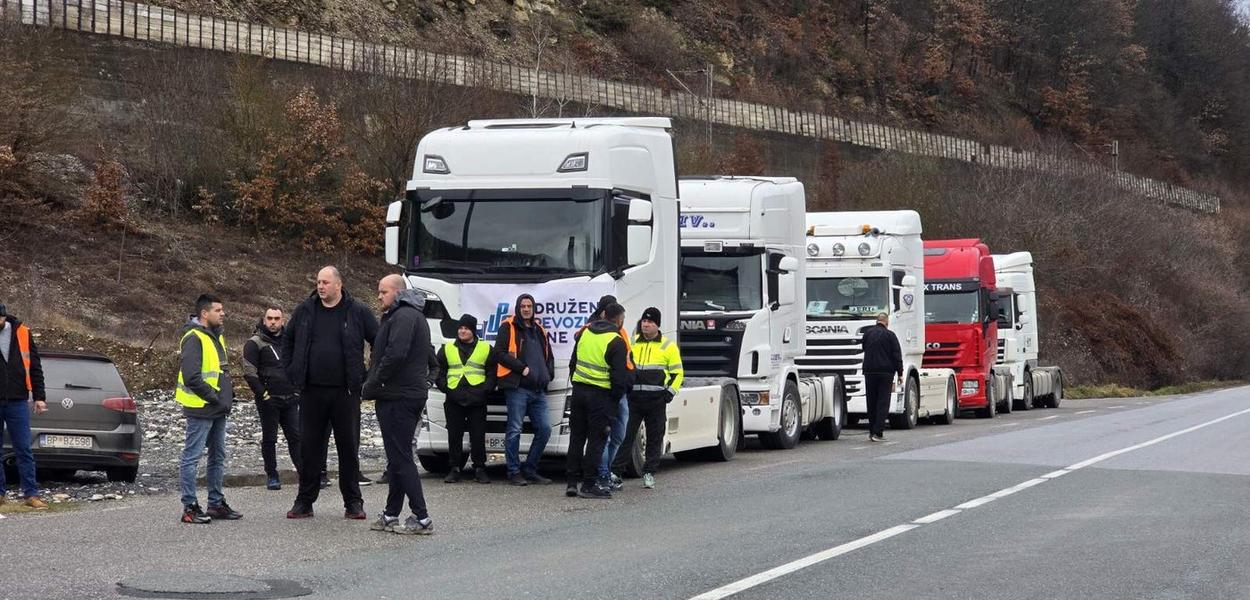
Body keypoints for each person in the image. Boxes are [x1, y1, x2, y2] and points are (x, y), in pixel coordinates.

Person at [282, 266, 379, 520]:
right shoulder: (305, 310)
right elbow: (287, 340)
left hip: (345, 392)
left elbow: (378, 339)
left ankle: (353, 502)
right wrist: (291, 370)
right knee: (310, 448)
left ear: (339, 284)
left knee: (348, 448)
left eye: (325, 282)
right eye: (318, 282)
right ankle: (305, 501)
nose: (320, 286)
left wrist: (367, 375)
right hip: (311, 392)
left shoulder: (357, 311)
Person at [362, 275, 435, 535]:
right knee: (396, 457)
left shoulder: (403, 317)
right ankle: (391, 513)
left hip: (398, 396)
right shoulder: (408, 316)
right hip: (403, 394)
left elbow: (395, 355)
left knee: (401, 458)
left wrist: (371, 384)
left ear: (398, 292)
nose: (379, 296)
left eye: (383, 292)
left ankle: (422, 516)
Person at [176, 294, 242, 524]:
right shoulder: (194, 337)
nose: (222, 313)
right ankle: (190, 506)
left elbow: (220, 370)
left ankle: (215, 503)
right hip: (202, 407)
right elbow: (192, 376)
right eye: (218, 310)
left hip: (217, 408)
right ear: (205, 313)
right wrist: (214, 397)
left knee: (218, 456)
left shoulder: (215, 335)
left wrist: (225, 398)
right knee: (192, 457)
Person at [565, 303, 632, 499]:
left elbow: (573, 363)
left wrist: (578, 382)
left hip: (578, 392)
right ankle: (589, 484)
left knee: (576, 438)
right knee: (597, 440)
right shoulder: (616, 341)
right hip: (601, 397)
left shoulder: (585, 332)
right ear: (619, 320)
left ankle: (571, 483)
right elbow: (620, 379)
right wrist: (613, 401)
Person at [436, 314, 512, 484]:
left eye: (466, 328)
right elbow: (438, 371)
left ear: (473, 330)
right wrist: (446, 388)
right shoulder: (447, 348)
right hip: (454, 398)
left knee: (478, 435)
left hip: (477, 399)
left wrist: (485, 390)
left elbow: (492, 373)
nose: (462, 331)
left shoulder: (485, 348)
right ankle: (455, 468)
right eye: (460, 328)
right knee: (454, 435)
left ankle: (480, 467)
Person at [612, 307, 682, 490]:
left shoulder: (668, 346)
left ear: (657, 325)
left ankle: (649, 472)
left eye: (650, 322)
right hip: (634, 399)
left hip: (656, 400)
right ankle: (616, 473)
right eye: (644, 321)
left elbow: (678, 373)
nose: (646, 324)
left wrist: (669, 394)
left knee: (654, 438)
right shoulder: (632, 342)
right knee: (626, 437)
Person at [494, 294, 555, 486]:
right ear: (518, 308)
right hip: (517, 388)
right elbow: (499, 353)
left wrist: (548, 374)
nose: (526, 309)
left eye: (529, 306)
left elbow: (549, 356)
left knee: (545, 429)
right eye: (523, 306)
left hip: (538, 390)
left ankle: (529, 468)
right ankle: (513, 471)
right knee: (514, 430)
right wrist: (522, 368)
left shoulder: (539, 329)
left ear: (533, 308)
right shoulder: (508, 326)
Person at [242, 307, 302, 491]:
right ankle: (272, 474)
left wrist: (298, 391)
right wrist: (263, 395)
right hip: (269, 399)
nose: (273, 322)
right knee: (270, 438)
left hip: (290, 397)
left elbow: (299, 365)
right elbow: (250, 373)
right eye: (270, 318)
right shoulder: (254, 343)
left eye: (277, 318)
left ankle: (304, 472)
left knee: (296, 437)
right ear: (264, 320)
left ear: (283, 320)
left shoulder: (290, 341)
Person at [0, 302, 48, 510]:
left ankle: (31, 494)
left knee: (24, 449)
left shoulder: (22, 333)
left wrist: (39, 396)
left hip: (18, 399)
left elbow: (35, 366)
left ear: (4, 317)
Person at [861, 312, 903, 442]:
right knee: (883, 402)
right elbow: (897, 355)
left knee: (871, 402)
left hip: (869, 372)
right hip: (885, 373)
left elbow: (864, 348)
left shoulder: (867, 334)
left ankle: (871, 431)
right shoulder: (890, 335)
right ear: (887, 322)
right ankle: (878, 433)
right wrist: (900, 373)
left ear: (877, 321)